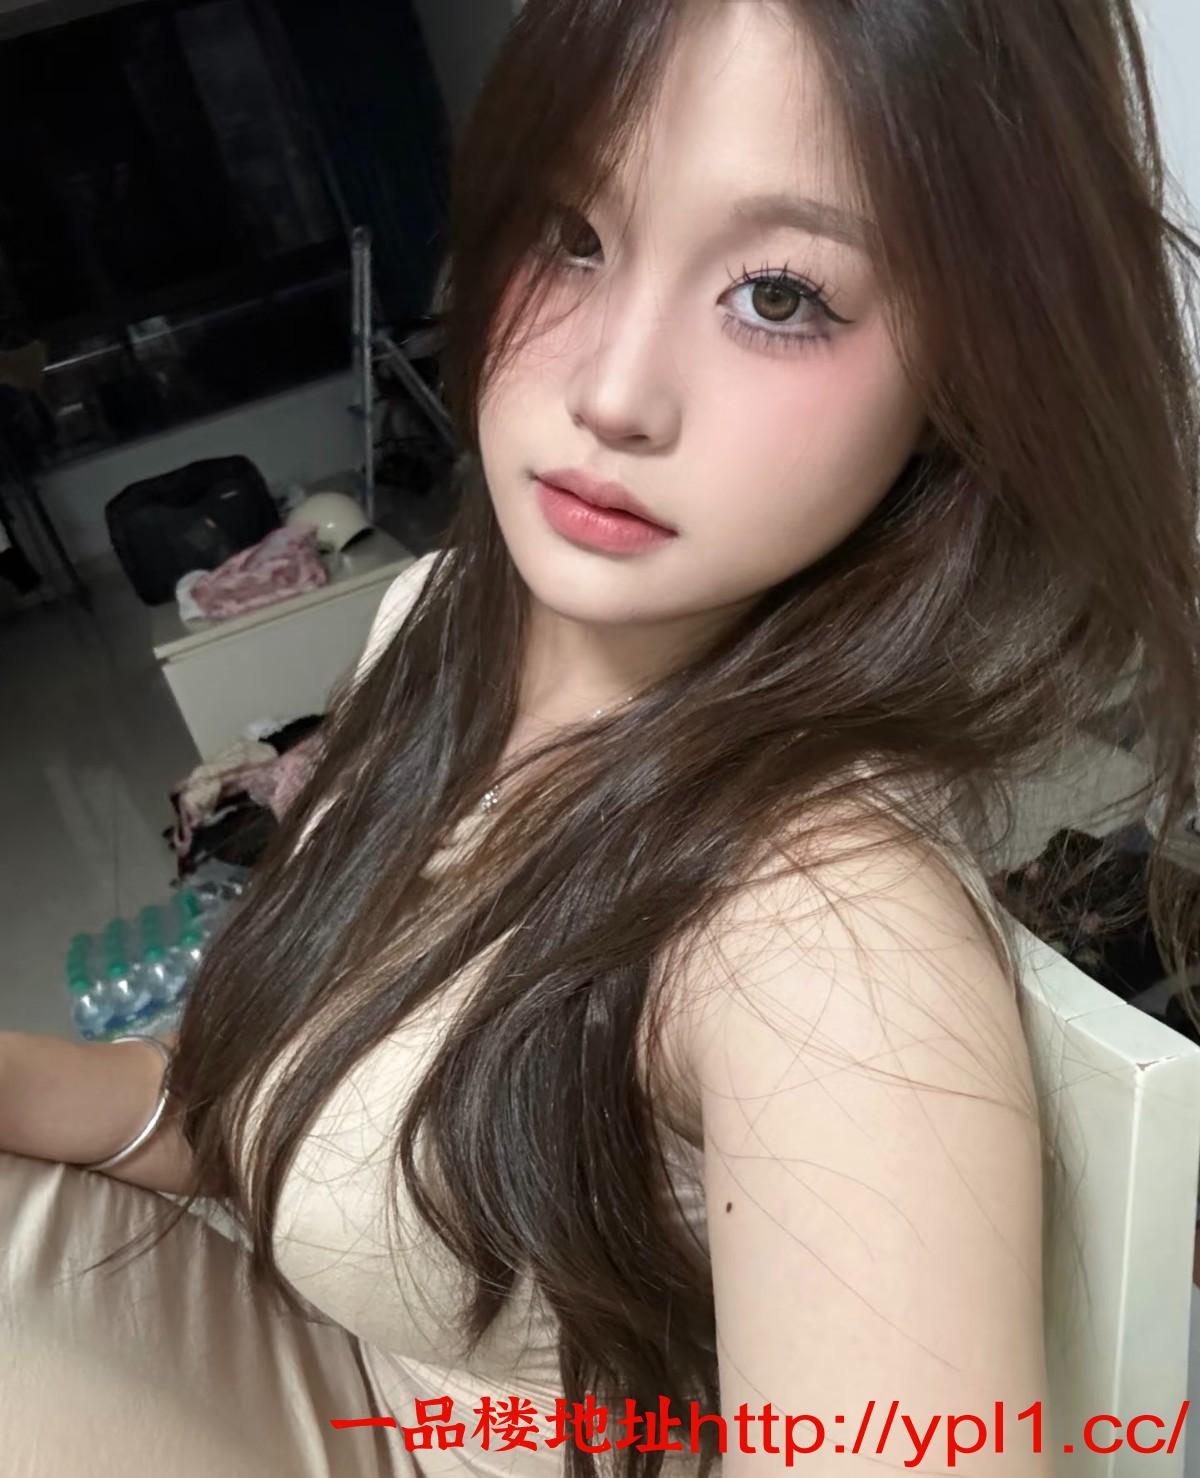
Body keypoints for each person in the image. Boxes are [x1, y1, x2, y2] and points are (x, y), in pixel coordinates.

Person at [3, 1, 1199, 1474]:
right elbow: (282, 1095)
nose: (612, 393)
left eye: (779, 295)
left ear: (968, 363)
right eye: (572, 233)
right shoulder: (444, 617)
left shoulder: (821, 945)